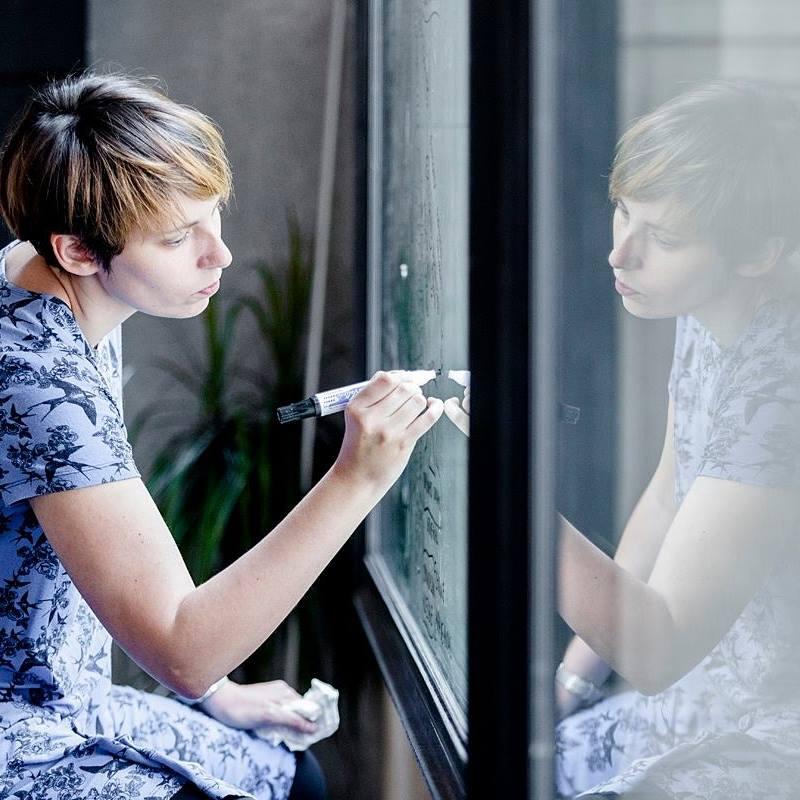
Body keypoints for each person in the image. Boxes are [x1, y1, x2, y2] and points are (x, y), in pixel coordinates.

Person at [0, 72, 444, 800]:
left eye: (213, 218)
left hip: (61, 688)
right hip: (25, 725)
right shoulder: (42, 385)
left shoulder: (33, 278)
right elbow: (183, 649)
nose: (220, 256)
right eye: (178, 239)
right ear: (78, 250)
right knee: (293, 784)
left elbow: (114, 559)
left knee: (288, 770)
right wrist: (358, 476)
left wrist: (217, 694)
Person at [446, 79, 800, 798]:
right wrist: (572, 678)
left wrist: (509, 480)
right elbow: (669, 498)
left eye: (664, 238)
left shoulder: (780, 387)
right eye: (623, 213)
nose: (621, 254)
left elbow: (659, 647)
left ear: (761, 253)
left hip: (775, 724)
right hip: (718, 685)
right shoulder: (709, 314)